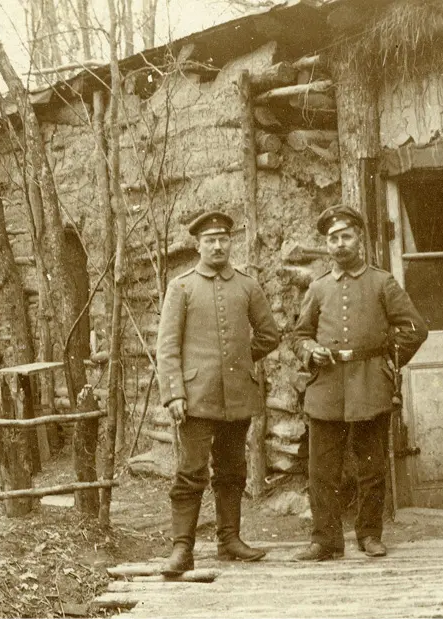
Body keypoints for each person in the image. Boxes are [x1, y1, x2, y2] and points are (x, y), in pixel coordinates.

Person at [290, 205, 428, 561]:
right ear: (327, 244)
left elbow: (415, 329)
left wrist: (388, 361)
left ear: (359, 239)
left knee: (371, 466)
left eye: (346, 236)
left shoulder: (381, 282)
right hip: (327, 386)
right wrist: (310, 351)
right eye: (333, 239)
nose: (339, 244)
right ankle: (325, 540)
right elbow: (299, 335)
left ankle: (369, 534)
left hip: (370, 384)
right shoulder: (318, 288)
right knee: (322, 470)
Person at [156, 210, 281, 576]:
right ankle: (182, 549)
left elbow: (269, 335)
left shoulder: (246, 285)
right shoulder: (181, 287)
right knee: (191, 471)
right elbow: (167, 347)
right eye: (209, 240)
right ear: (198, 245)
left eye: (223, 239)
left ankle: (230, 540)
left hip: (237, 396)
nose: (217, 246)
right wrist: (175, 393)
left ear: (230, 242)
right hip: (195, 398)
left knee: (232, 470)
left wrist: (241, 358)